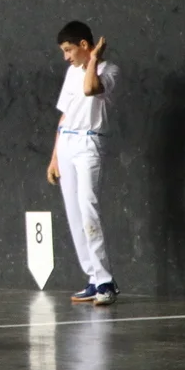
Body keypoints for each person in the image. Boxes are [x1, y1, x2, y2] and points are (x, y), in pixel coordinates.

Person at [46, 20, 121, 306]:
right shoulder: (71, 72)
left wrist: (94, 60)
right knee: (74, 213)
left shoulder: (109, 71)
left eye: (69, 50)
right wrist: (55, 157)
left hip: (90, 144)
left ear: (84, 45)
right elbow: (65, 115)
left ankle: (106, 281)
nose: (66, 57)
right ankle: (93, 277)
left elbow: (91, 89)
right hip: (67, 144)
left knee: (88, 208)